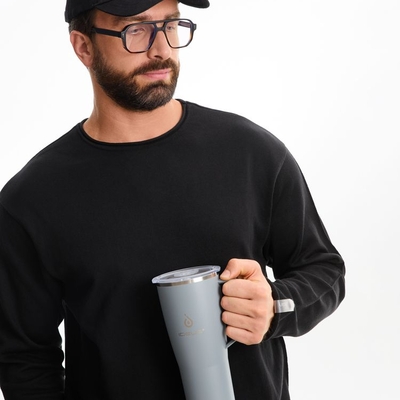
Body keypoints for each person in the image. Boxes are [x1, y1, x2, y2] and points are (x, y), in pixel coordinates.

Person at [0, 0, 345, 399]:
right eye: (136, 30)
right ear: (84, 46)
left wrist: (274, 306)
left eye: (170, 25)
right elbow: (23, 360)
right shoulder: (32, 199)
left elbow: (323, 269)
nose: (161, 48)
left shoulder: (249, 151)